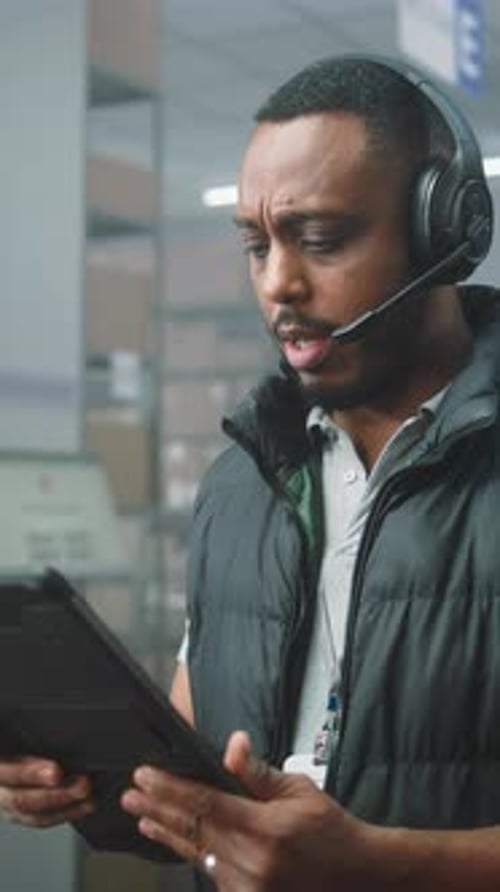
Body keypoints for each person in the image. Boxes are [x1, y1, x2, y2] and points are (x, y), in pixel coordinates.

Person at [1, 54, 500, 890]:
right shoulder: (238, 484)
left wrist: (382, 869)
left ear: (440, 233)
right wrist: (91, 784)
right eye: (256, 244)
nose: (278, 285)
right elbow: (198, 766)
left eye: (320, 239)